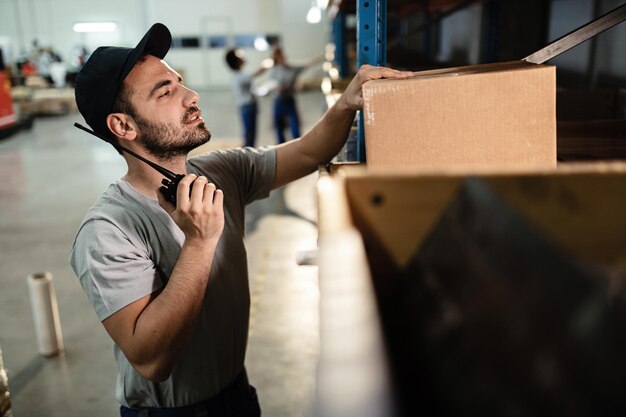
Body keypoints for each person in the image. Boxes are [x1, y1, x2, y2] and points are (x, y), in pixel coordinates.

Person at [69, 22, 412, 417]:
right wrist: (200, 241)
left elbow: (305, 153)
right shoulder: (107, 230)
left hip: (236, 394)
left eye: (180, 82)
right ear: (123, 126)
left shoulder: (220, 171)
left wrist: (347, 103)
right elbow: (151, 361)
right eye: (166, 91)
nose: (191, 96)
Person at [269, 46, 322, 144]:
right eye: (279, 56)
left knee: (295, 127)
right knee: (279, 129)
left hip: (289, 100)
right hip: (279, 101)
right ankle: (281, 148)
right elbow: (272, 84)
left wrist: (322, 56)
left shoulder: (292, 69)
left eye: (282, 55)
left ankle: (297, 145)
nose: (282, 57)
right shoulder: (274, 71)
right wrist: (277, 87)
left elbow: (307, 64)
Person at [224, 48, 268, 148]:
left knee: (249, 132)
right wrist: (269, 61)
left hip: (247, 106)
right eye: (240, 55)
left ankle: (248, 151)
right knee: (250, 133)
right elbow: (259, 72)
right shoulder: (239, 76)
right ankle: (248, 154)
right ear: (236, 61)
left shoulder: (239, 75)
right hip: (247, 107)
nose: (243, 56)